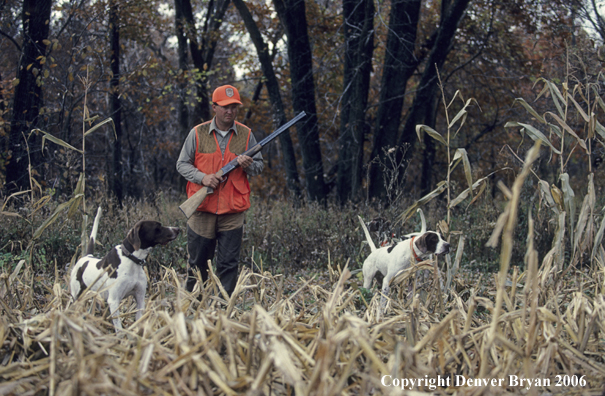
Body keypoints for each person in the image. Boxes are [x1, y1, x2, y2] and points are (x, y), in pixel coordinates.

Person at [176, 85, 263, 296]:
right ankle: (192, 308)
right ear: (214, 107)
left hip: (232, 211)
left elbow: (259, 166)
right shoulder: (197, 133)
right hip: (201, 210)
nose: (230, 111)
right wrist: (203, 178)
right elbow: (182, 164)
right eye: (224, 107)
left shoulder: (246, 134)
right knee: (197, 266)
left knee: (228, 265)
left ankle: (224, 311)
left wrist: (247, 164)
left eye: (234, 107)